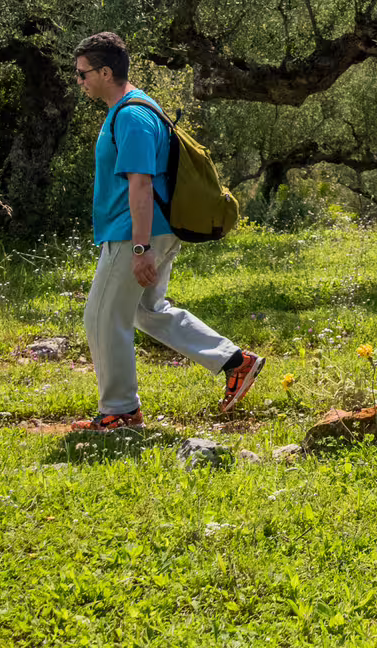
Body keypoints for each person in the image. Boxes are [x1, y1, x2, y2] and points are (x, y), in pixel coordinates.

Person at [71, 32, 262, 430]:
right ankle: (234, 362)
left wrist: (141, 249)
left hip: (135, 233)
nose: (80, 81)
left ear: (106, 72)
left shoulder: (132, 116)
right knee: (145, 311)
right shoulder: (132, 109)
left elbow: (140, 184)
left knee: (103, 317)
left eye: (83, 73)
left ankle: (120, 410)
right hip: (146, 232)